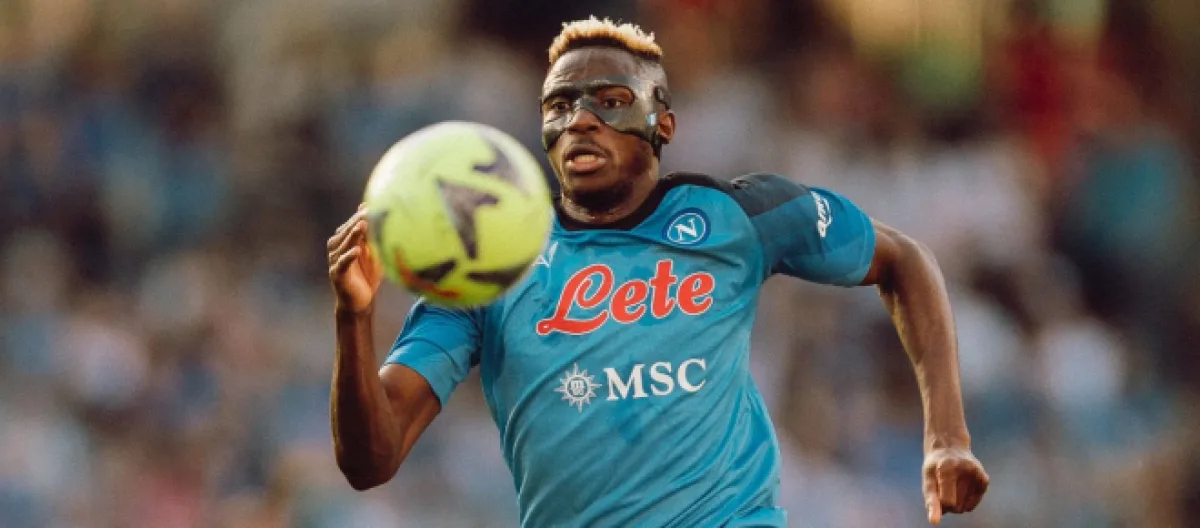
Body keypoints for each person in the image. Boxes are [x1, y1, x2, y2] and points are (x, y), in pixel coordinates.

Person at [327, 17, 989, 527]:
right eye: (559, 106)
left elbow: (904, 259)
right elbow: (371, 460)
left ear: (662, 124)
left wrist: (947, 438)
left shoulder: (736, 215)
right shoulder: (488, 268)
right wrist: (354, 317)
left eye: (610, 100)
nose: (581, 120)